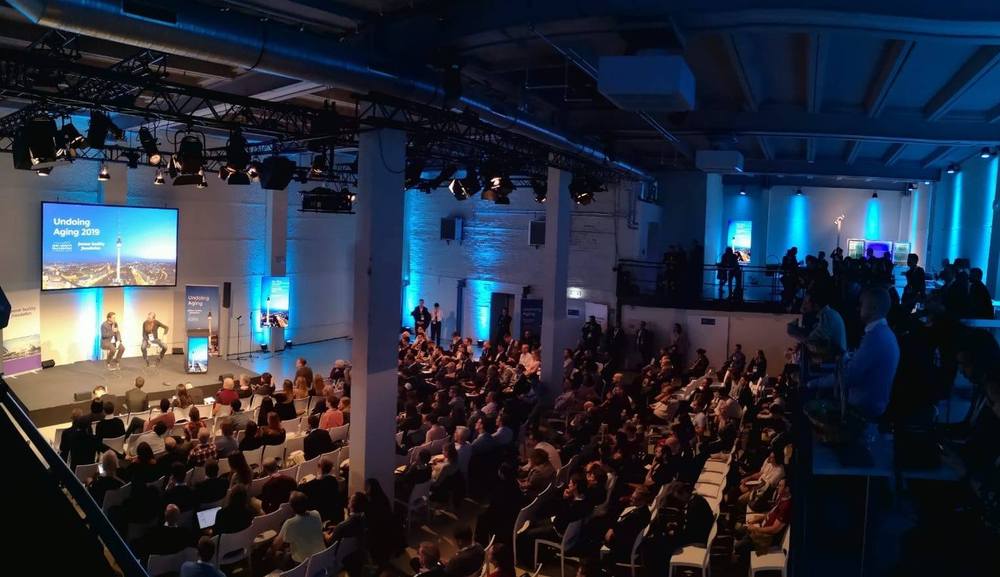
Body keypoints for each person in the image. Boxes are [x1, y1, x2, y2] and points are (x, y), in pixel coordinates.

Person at [272, 491, 326, 569]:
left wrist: (269, 552)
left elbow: (276, 545)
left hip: (302, 564)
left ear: (291, 507)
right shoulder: (316, 514)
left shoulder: (290, 523)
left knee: (277, 554)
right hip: (321, 557)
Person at [603, 487, 653, 564]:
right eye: (632, 497)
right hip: (627, 537)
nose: (630, 499)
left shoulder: (637, 516)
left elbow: (622, 529)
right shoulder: (644, 510)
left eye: (634, 498)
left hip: (624, 545)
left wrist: (611, 529)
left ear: (643, 500)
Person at [298, 458, 344, 524]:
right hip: (331, 513)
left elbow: (300, 490)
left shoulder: (311, 485)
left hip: (319, 516)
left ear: (319, 468)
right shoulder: (333, 481)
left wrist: (301, 483)